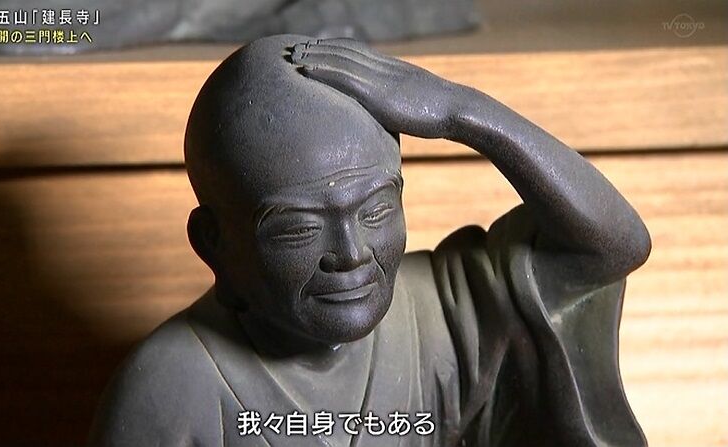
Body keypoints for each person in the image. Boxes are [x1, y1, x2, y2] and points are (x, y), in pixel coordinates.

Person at [89, 34, 650, 446]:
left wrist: (460, 112)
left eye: (377, 210)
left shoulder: (438, 312)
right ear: (213, 243)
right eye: (299, 229)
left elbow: (612, 248)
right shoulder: (172, 389)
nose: (352, 253)